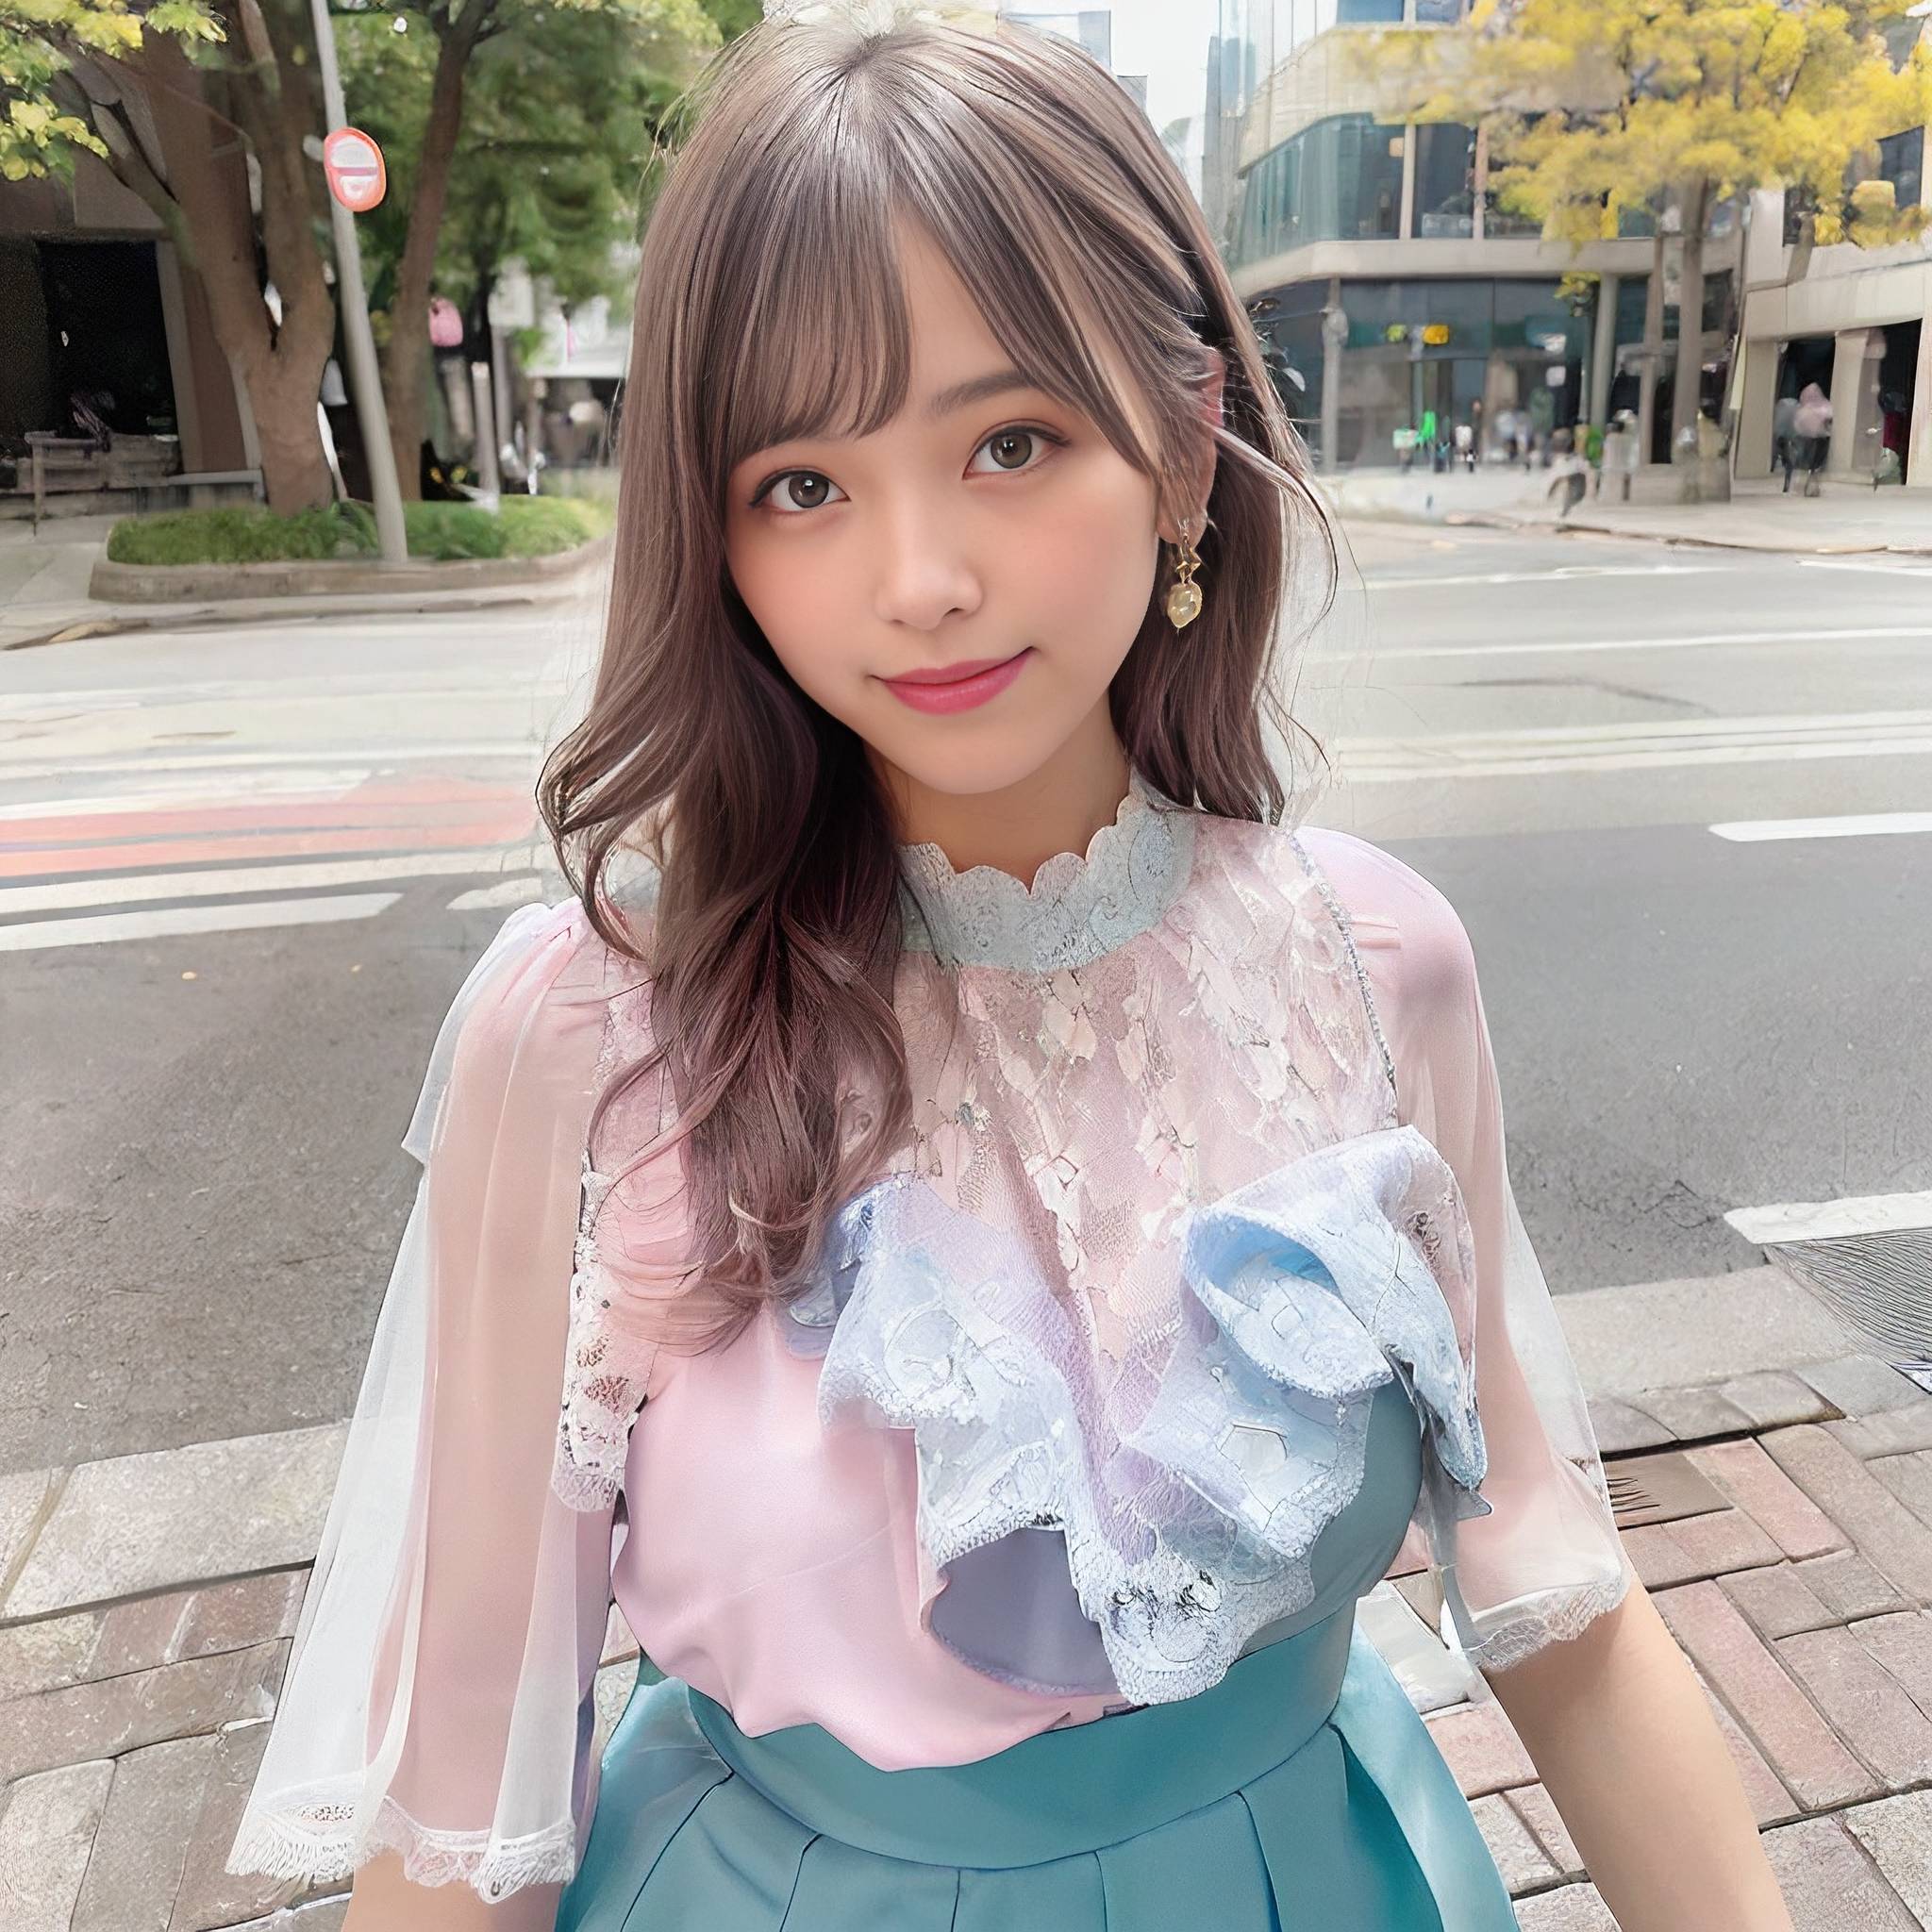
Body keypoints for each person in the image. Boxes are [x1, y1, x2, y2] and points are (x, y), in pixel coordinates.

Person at [225, 8, 1797, 1930]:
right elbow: (474, 1804)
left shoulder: (1371, 965)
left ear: (1182, 444)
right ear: (712, 534)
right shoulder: (591, 1033)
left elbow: (1553, 1597)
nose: (921, 577)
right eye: (802, 482)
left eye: (1013, 440)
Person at [1791, 380, 1833, 496]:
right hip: (1821, 439)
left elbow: (1797, 425)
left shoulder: (1803, 410)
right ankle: (1813, 487)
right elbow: (1829, 423)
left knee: (1805, 464)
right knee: (1816, 466)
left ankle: (1804, 486)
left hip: (1806, 439)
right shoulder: (1825, 407)